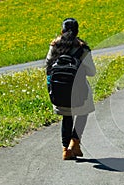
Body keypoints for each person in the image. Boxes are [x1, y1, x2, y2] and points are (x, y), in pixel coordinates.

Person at [45, 18, 96, 160]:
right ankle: (75, 141)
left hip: (59, 91)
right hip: (80, 92)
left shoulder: (54, 46)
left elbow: (48, 68)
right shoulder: (82, 48)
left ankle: (65, 150)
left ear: (62, 31)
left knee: (67, 116)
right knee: (83, 112)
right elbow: (92, 72)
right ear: (77, 31)